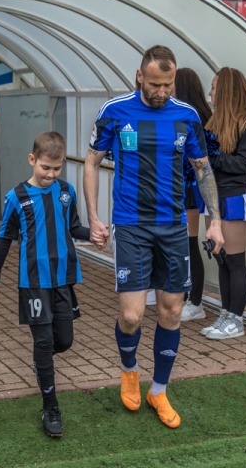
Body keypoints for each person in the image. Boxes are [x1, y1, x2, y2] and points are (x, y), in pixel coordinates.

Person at [84, 45, 224, 429]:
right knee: (131, 316)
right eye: (155, 84)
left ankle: (159, 390)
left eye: (168, 84)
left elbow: (203, 169)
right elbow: (92, 162)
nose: (162, 92)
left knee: (172, 311)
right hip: (131, 225)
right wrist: (94, 217)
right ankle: (130, 369)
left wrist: (214, 222)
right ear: (139, 77)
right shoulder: (115, 111)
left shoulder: (186, 116)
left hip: (173, 227)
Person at [0, 131, 93, 438]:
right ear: (32, 160)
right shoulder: (16, 197)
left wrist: (95, 234)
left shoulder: (67, 192)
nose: (51, 174)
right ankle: (50, 406)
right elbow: (4, 239)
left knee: (65, 341)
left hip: (63, 280)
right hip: (32, 282)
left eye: (57, 168)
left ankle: (41, 361)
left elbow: (74, 227)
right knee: (43, 341)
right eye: (45, 167)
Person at [200, 68, 246, 340]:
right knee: (222, 260)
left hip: (234, 198)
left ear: (225, 90)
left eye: (214, 87)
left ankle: (236, 320)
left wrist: (213, 159)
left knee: (235, 262)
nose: (210, 93)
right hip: (213, 198)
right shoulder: (213, 122)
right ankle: (226, 313)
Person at [175, 68, 215, 324]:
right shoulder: (199, 115)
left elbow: (200, 160)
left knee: (189, 244)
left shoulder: (195, 117)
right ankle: (186, 297)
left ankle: (196, 301)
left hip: (190, 187)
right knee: (183, 244)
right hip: (184, 186)